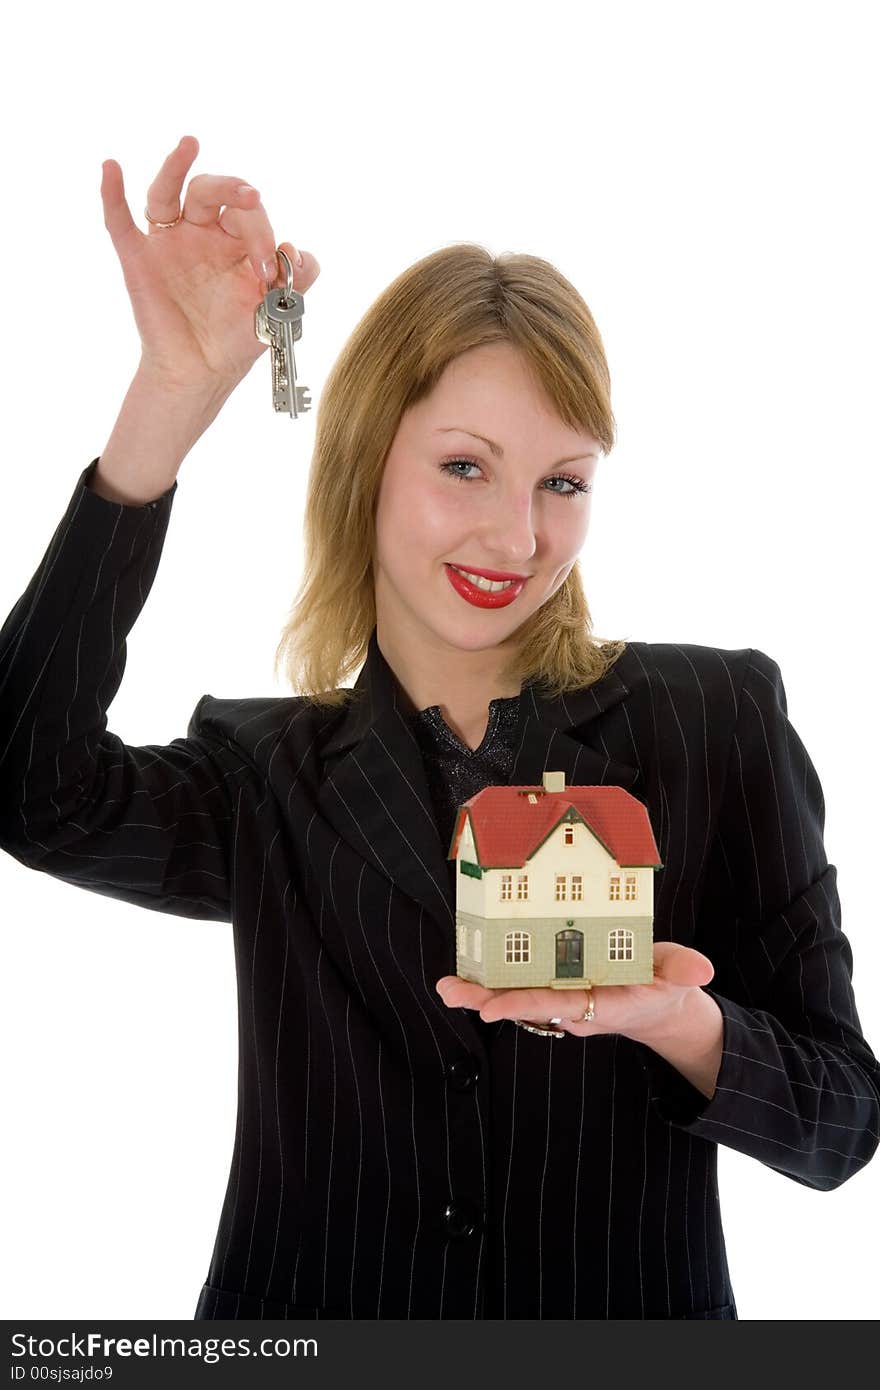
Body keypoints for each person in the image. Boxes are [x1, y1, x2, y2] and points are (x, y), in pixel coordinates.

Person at [1, 134, 878, 1321]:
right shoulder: (267, 774)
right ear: (366, 463)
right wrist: (167, 400)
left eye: (562, 482)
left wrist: (690, 1024)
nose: (518, 538)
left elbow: (842, 1121)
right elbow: (27, 785)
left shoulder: (714, 720)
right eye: (465, 466)